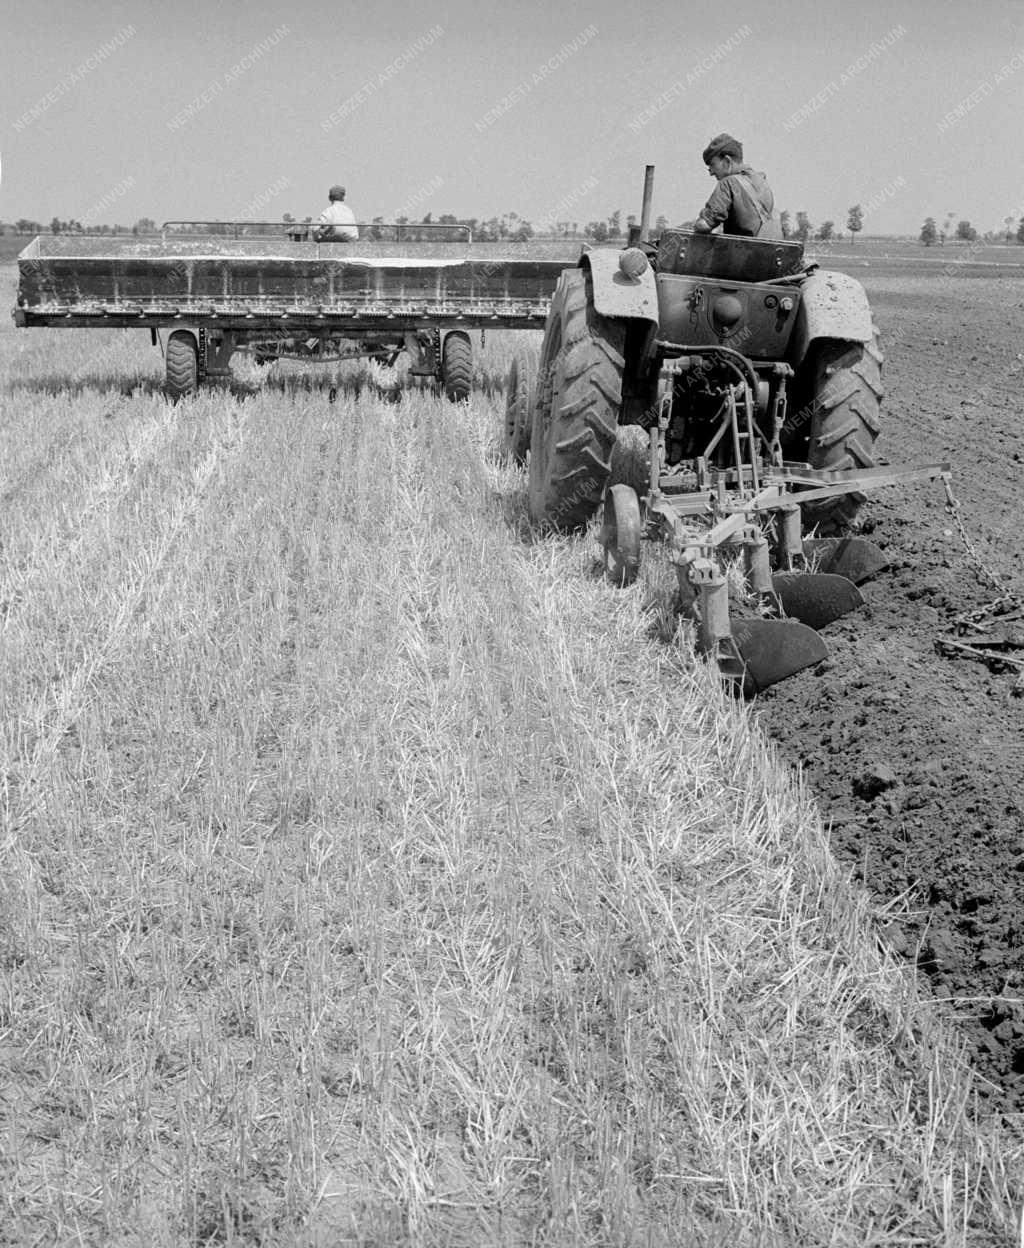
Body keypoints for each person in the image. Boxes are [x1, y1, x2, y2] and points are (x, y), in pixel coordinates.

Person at [692, 134, 778, 239]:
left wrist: (697, 224)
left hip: (740, 253)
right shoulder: (762, 181)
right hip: (766, 252)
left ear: (727, 162)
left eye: (712, 165)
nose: (711, 173)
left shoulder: (728, 183)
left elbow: (704, 225)